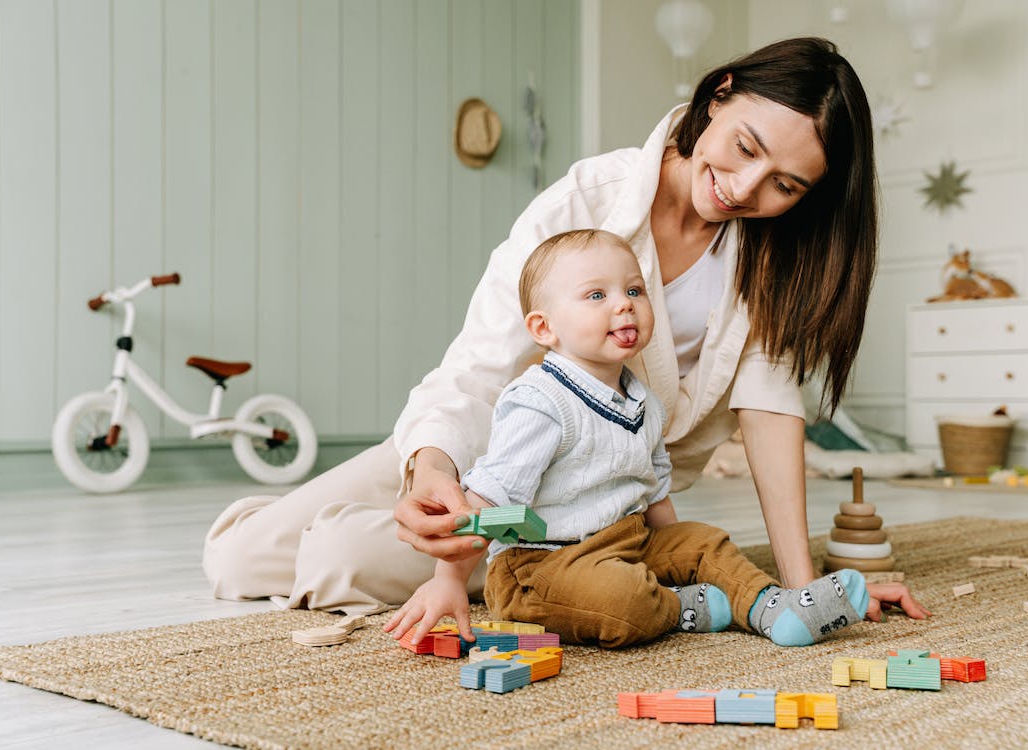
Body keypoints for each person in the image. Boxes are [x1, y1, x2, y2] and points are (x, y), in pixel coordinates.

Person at [202, 37, 929, 623]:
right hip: (489, 446)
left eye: (784, 185)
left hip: (593, 505)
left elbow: (770, 414)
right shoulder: (589, 199)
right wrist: (430, 471)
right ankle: (374, 516)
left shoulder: (773, 261)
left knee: (337, 559)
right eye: (744, 147)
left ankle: (548, 567)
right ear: (720, 93)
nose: (744, 188)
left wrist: (804, 590)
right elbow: (478, 367)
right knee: (235, 560)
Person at [384, 228, 874, 648]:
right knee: (623, 599)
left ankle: (776, 609)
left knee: (706, 542)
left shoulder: (644, 400)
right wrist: (447, 579)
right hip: (541, 567)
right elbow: (489, 502)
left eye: (635, 291)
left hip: (626, 540)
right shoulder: (540, 402)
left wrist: (678, 555)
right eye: (597, 296)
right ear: (544, 327)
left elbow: (653, 488)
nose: (624, 304)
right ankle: (678, 607)